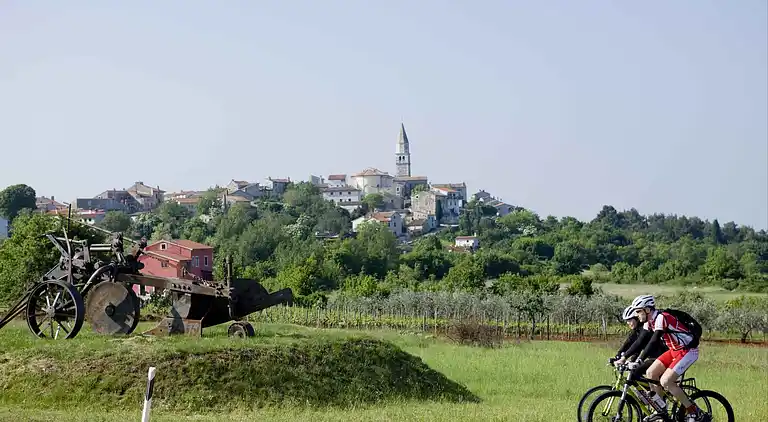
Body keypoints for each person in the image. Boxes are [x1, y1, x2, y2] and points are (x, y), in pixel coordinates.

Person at [627, 295, 710, 422]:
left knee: (666, 381)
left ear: (647, 310)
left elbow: (654, 341)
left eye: (638, 311)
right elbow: (640, 341)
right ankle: (661, 410)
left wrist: (639, 359)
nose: (637, 315)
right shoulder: (648, 322)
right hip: (674, 351)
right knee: (650, 373)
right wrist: (623, 357)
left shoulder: (661, 317)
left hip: (687, 351)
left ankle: (695, 411)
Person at [611, 305, 667, 379]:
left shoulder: (646, 330)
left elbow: (639, 345)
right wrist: (617, 356)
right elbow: (629, 342)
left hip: (661, 356)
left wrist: (631, 359)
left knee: (636, 372)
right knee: (635, 372)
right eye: (627, 321)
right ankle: (646, 390)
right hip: (653, 357)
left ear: (636, 319)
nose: (628, 323)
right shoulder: (637, 330)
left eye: (630, 320)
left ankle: (651, 390)